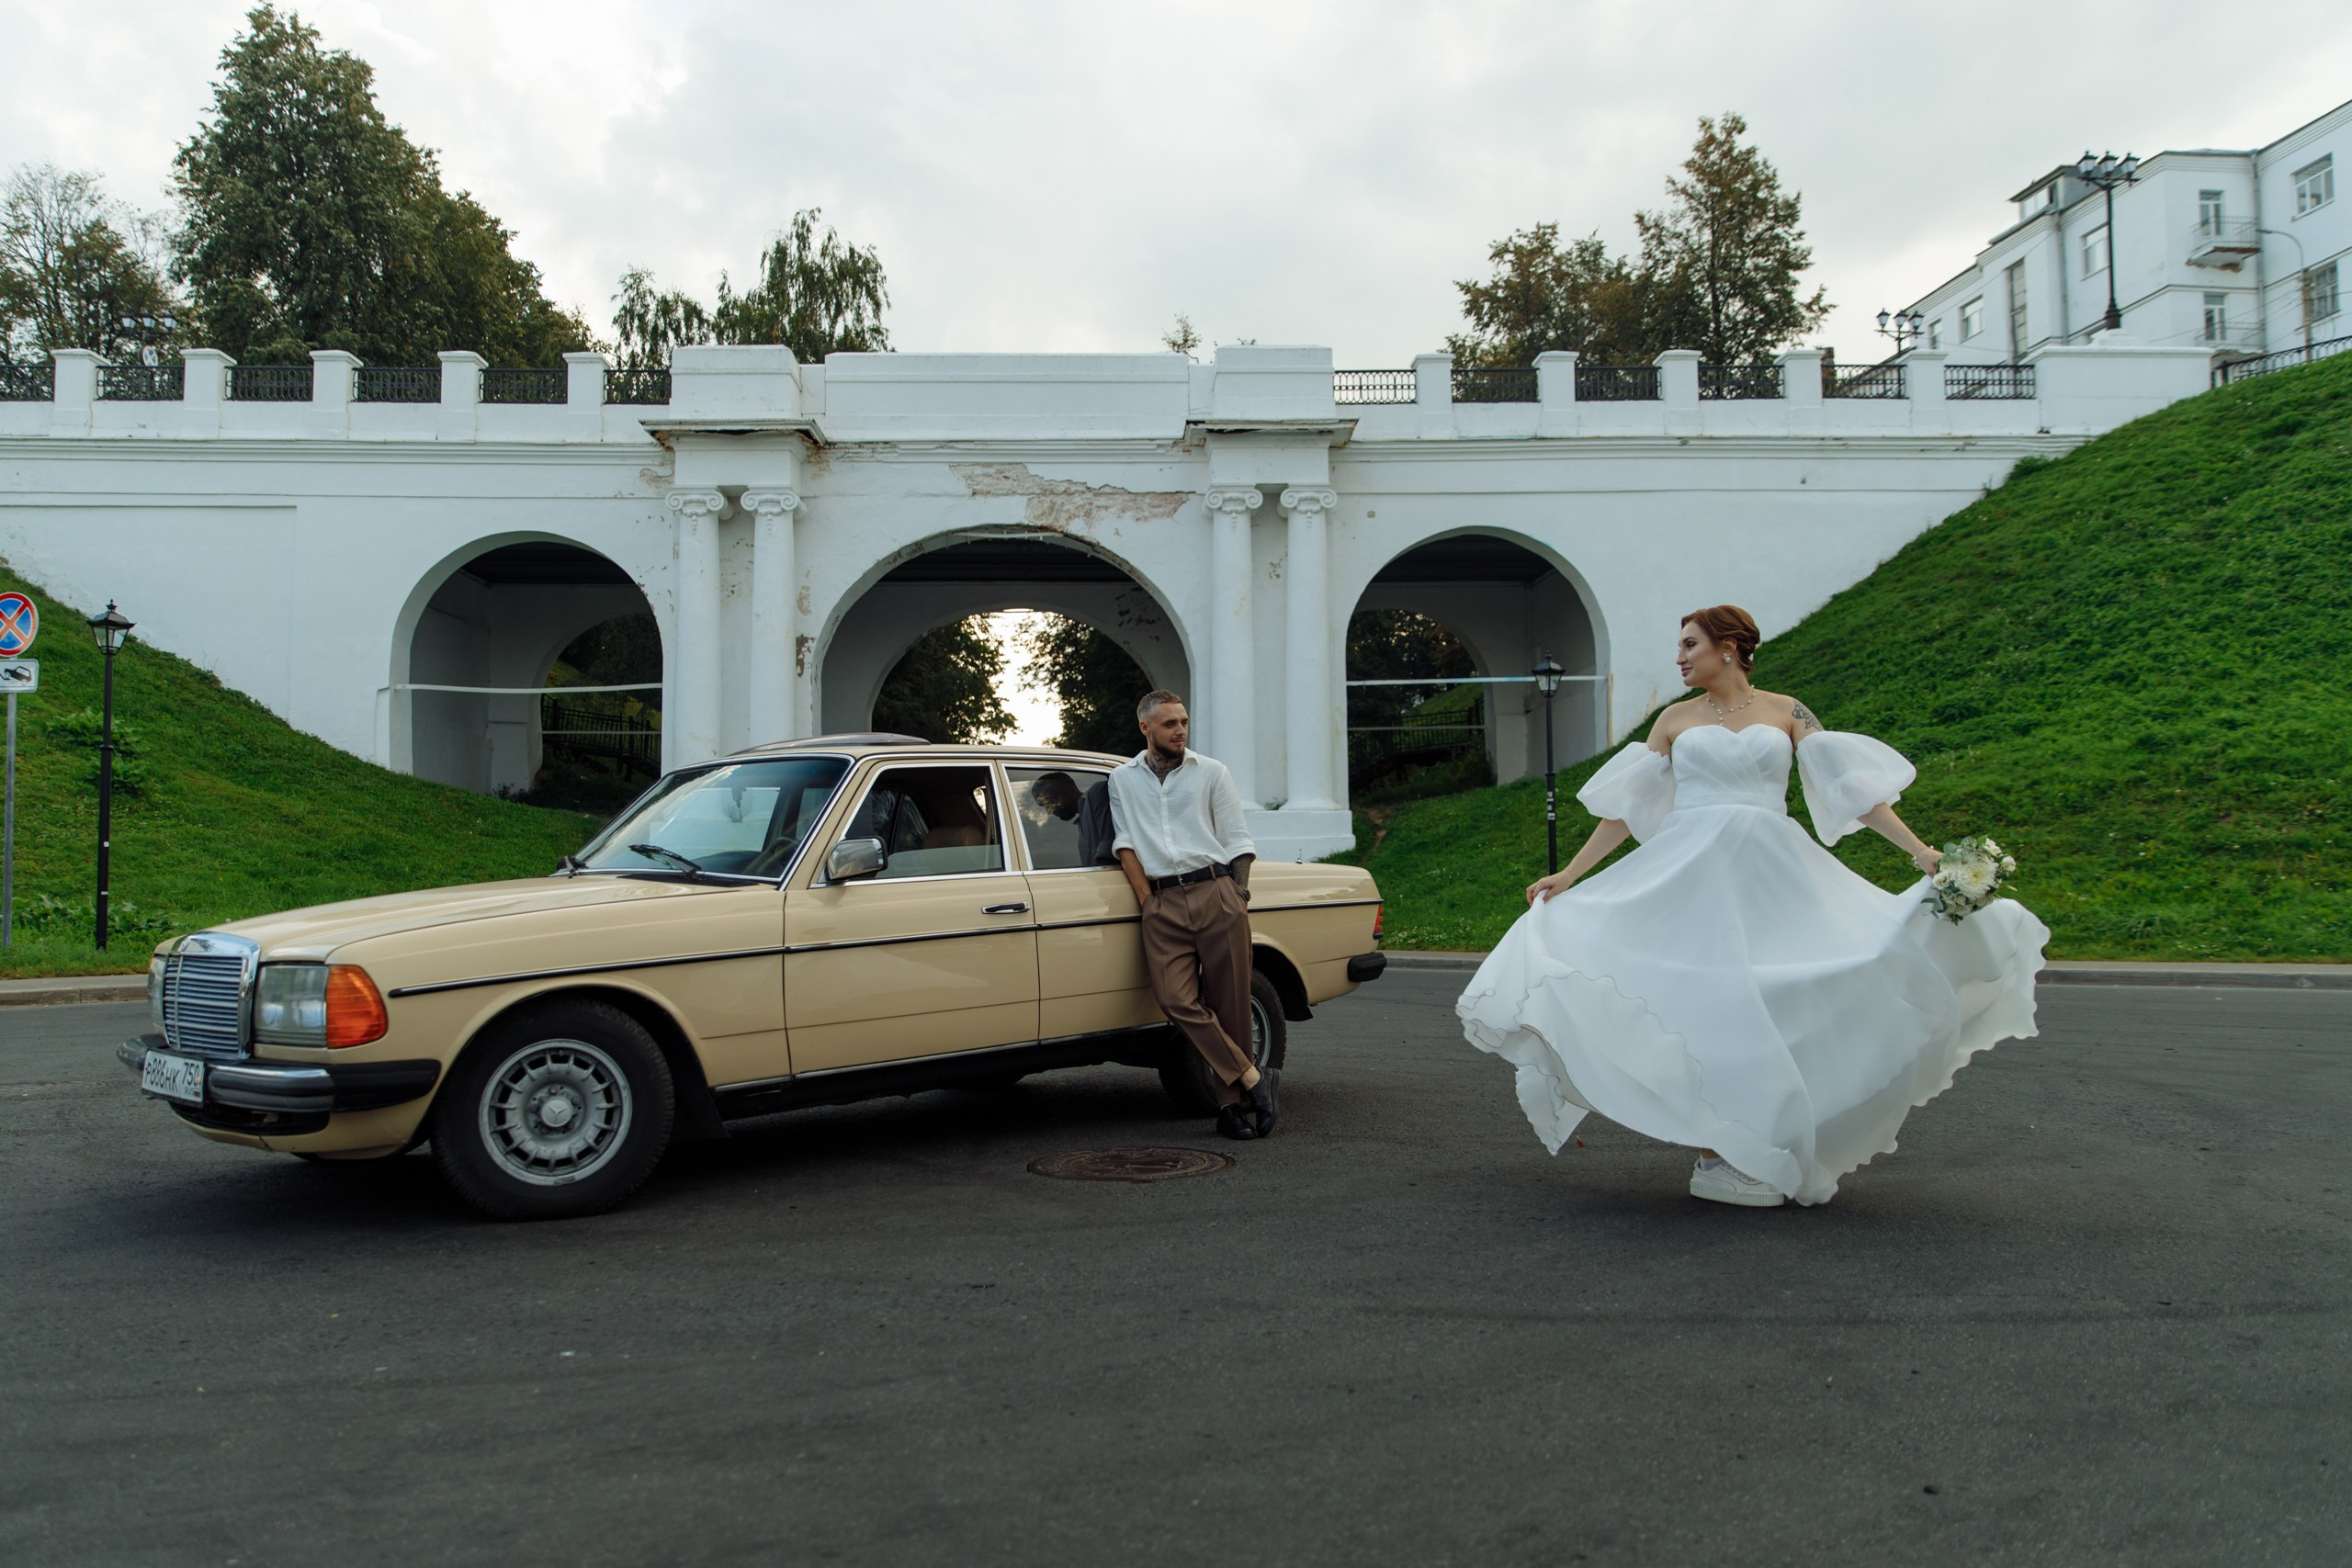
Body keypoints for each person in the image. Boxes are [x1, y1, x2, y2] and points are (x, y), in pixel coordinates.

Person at [1456, 605, 2049, 1207]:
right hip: (1690, 872)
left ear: (1730, 647)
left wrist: (1922, 851)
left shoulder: (1786, 711)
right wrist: (1571, 874)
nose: (1680, 657)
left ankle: (1763, 1137)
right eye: (1679, 646)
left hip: (1773, 869)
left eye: (1690, 644)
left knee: (1782, 990)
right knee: (1706, 1001)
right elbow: (1626, 810)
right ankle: (1720, 1146)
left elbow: (1852, 791)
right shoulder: (1673, 718)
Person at [1106, 689, 1275, 1140]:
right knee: (1175, 999)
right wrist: (1147, 901)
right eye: (1169, 724)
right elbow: (1124, 844)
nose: (1180, 730)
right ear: (1145, 728)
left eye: (1183, 722)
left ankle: (1231, 1109)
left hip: (1216, 891)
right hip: (1162, 902)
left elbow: (1238, 841)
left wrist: (1236, 895)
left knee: (1232, 1004)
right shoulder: (1121, 779)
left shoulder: (1212, 773)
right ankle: (1253, 1077)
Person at [1027, 770, 1115, 867]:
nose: (1049, 811)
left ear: (1063, 792)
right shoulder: (1081, 821)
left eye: (1047, 803)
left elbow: (1109, 849)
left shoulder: (1097, 793)